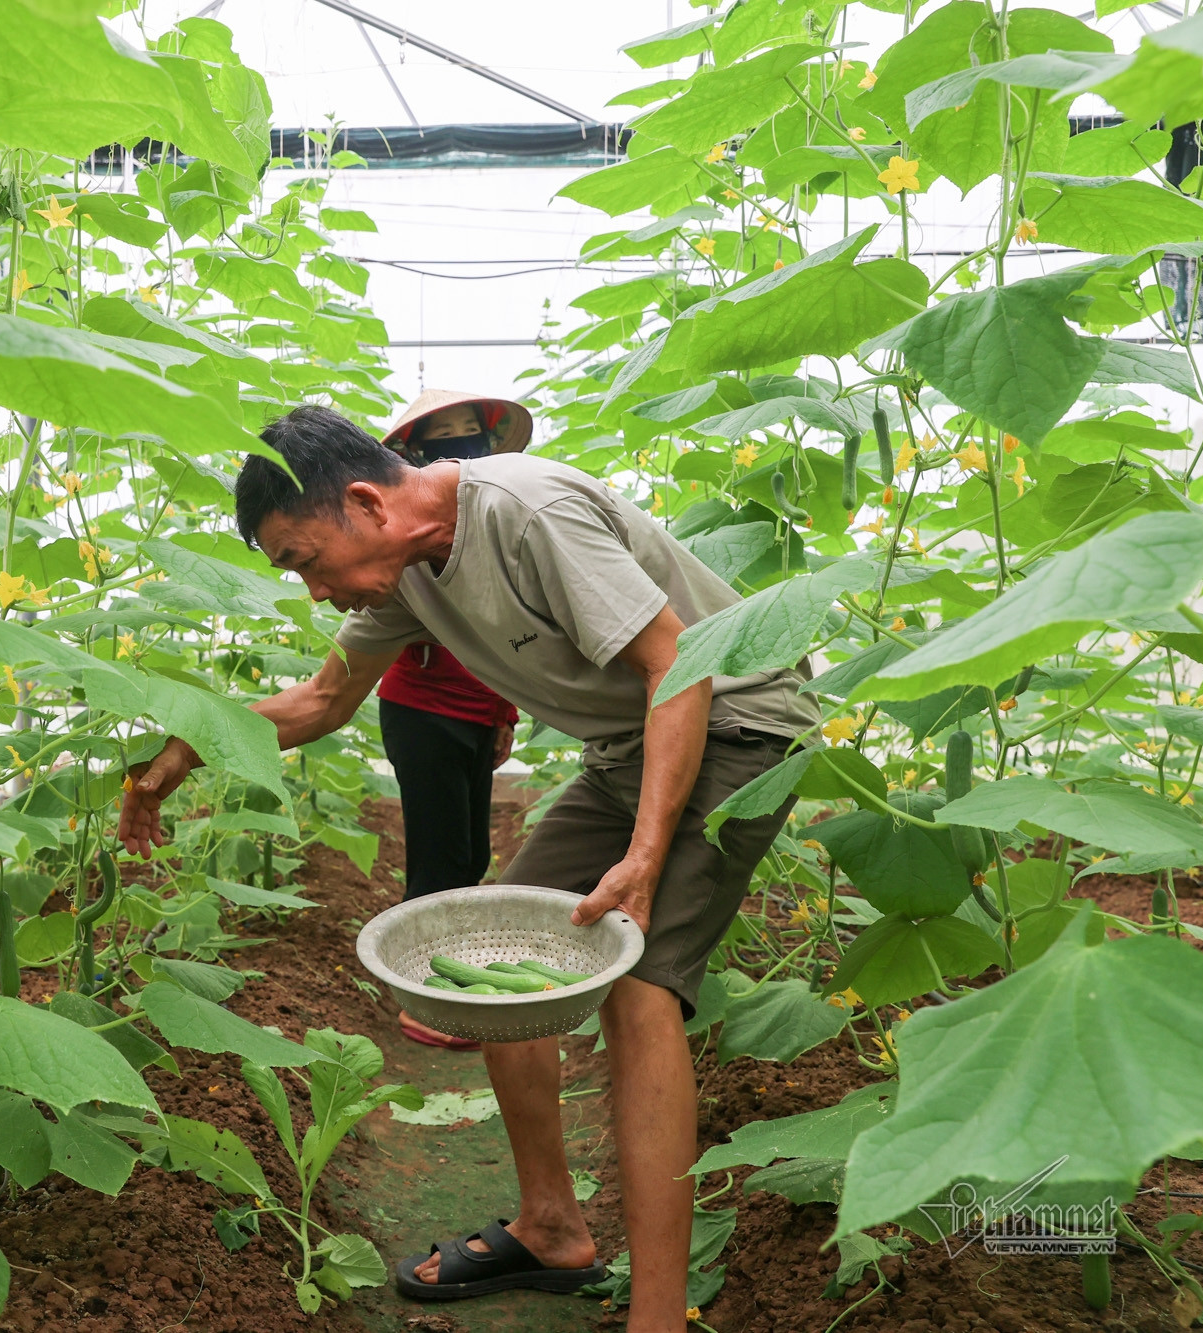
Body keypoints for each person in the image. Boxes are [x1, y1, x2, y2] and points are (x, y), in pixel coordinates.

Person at [117, 405, 818, 1330]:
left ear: (365, 501)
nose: (314, 592)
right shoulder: (404, 574)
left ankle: (657, 1315)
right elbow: (325, 698)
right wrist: (187, 746)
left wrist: (645, 860)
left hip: (737, 721)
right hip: (628, 747)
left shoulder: (527, 513)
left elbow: (676, 665)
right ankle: (554, 1226)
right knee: (500, 962)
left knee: (640, 986)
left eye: (303, 559)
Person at [374, 391, 531, 1053]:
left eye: (471, 436)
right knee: (439, 860)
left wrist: (505, 715)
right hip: (422, 709)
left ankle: (450, 981)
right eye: (445, 437)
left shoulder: (495, 526)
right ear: (415, 454)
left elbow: (507, 637)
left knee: (470, 854)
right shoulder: (416, 537)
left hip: (475, 711)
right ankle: (425, 997)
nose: (461, 448)